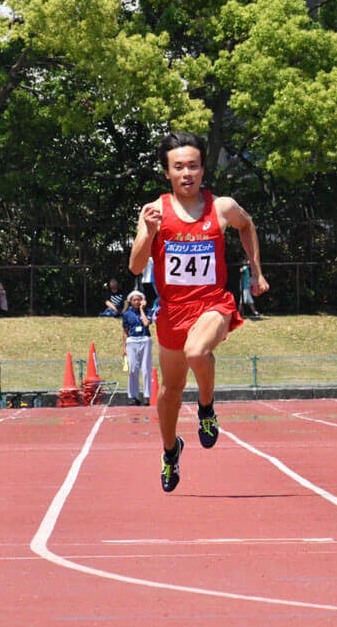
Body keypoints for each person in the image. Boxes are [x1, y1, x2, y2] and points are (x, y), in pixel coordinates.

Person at [129, 130, 269, 493]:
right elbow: (135, 267)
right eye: (179, 167)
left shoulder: (221, 207)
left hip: (213, 303)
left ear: (203, 170)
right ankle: (170, 450)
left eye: (193, 165)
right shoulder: (155, 211)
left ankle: (206, 408)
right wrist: (147, 232)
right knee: (170, 392)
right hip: (172, 311)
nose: (187, 173)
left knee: (197, 352)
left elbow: (247, 224)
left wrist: (256, 270)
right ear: (168, 172)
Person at [122, 290, 153, 406]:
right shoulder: (127, 314)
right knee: (133, 369)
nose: (137, 302)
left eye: (139, 300)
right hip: (132, 341)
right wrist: (124, 347)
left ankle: (146, 395)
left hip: (145, 339)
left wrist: (141, 310)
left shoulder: (148, 311)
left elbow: (146, 323)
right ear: (130, 301)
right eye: (134, 300)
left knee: (146, 369)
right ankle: (133, 395)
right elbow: (125, 332)